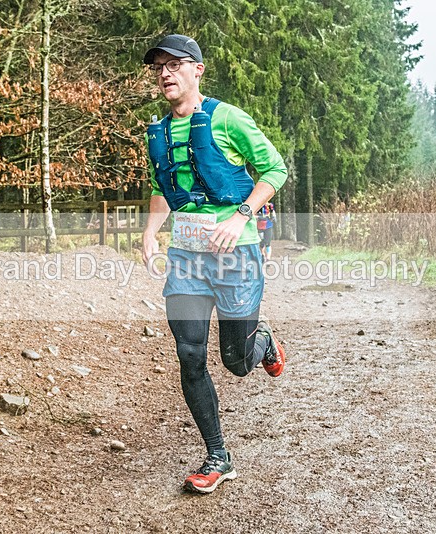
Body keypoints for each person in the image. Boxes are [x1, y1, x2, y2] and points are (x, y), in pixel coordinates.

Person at [140, 34, 287, 494]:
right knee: (189, 355)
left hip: (234, 254)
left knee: (235, 362)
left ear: (197, 69)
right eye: (159, 67)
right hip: (186, 257)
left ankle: (261, 341)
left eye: (175, 64)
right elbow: (163, 188)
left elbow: (275, 170)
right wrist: (150, 232)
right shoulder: (160, 132)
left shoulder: (227, 118)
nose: (165, 73)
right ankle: (217, 456)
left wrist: (241, 215)